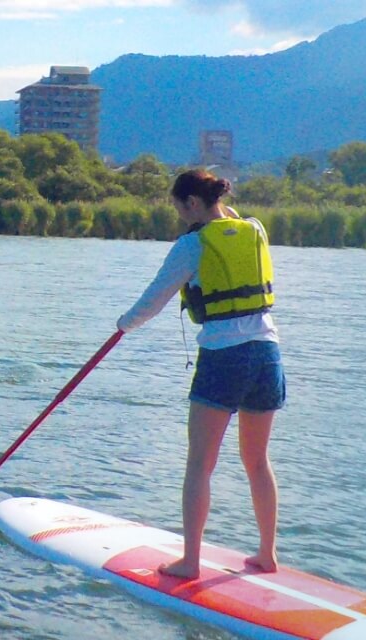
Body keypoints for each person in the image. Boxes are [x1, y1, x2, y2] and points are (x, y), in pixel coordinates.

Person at [115, 168, 284, 580]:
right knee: (257, 461)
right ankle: (267, 554)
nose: (180, 218)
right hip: (267, 354)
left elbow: (152, 301)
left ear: (192, 202)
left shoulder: (192, 244)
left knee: (199, 465)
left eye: (179, 208)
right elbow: (232, 224)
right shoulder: (255, 228)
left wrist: (123, 325)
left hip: (224, 357)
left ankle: (190, 562)